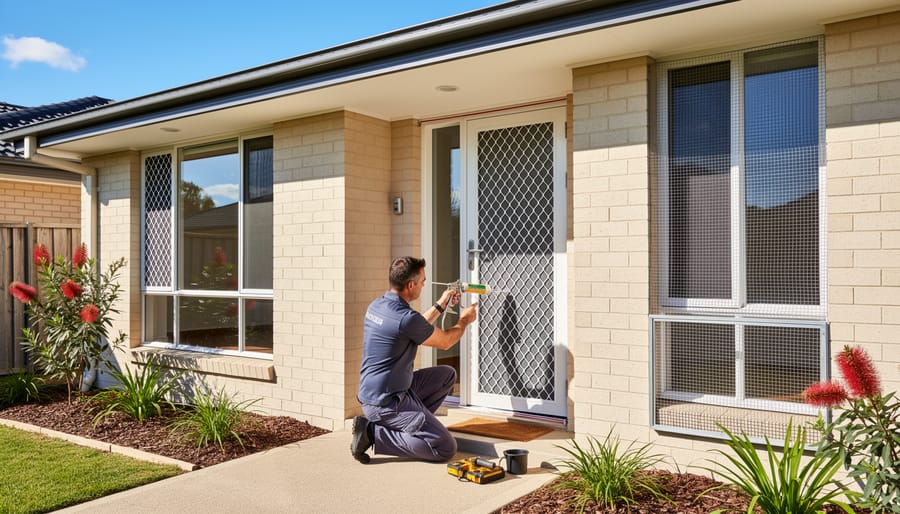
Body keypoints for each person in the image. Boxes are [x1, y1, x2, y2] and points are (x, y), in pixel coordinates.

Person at [351, 256, 478, 464]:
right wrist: (464, 320)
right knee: (445, 448)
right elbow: (445, 342)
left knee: (447, 376)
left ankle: (416, 424)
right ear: (411, 285)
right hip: (385, 402)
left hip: (383, 391)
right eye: (422, 282)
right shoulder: (405, 318)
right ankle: (373, 433)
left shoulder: (378, 305)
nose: (423, 285)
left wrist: (442, 303)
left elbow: (415, 327)